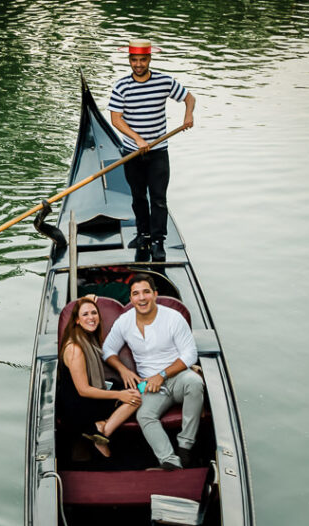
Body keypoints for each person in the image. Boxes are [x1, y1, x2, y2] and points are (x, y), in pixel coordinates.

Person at [102, 274, 204, 469]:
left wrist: (162, 375)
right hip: (149, 384)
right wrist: (123, 370)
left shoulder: (173, 317)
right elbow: (108, 351)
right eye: (136, 294)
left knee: (195, 382)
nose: (142, 298)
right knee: (144, 415)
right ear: (131, 299)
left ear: (155, 294)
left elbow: (190, 354)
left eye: (146, 292)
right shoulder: (124, 321)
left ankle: (185, 447)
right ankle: (169, 461)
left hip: (178, 377)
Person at [109, 39, 195, 262]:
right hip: (132, 152)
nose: (138, 64)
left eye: (142, 59)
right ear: (129, 60)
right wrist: (137, 139)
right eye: (134, 60)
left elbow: (189, 98)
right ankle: (143, 234)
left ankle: (158, 241)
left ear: (149, 59)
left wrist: (188, 115)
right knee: (138, 197)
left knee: (158, 198)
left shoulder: (164, 82)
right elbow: (116, 119)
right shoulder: (121, 87)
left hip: (158, 151)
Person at [58, 296, 142, 458]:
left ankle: (101, 428)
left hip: (84, 398)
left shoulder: (87, 339)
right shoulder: (76, 348)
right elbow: (83, 390)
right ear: (77, 320)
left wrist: (89, 298)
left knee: (132, 389)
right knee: (134, 397)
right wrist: (120, 395)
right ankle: (102, 434)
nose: (91, 318)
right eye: (85, 315)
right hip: (77, 406)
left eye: (94, 313)